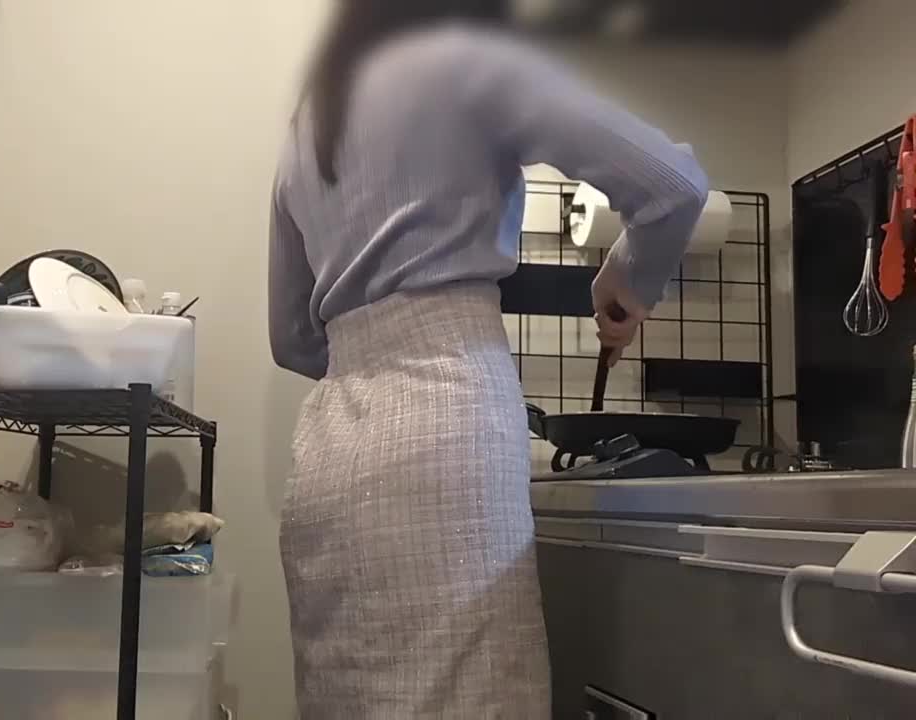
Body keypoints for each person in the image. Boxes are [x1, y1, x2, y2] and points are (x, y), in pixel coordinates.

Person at [268, 3, 708, 718]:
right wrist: (627, 279)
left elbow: (291, 338)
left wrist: (368, 352)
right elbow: (673, 186)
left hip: (328, 452)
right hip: (446, 415)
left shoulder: (308, 122)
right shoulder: (465, 61)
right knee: (469, 695)